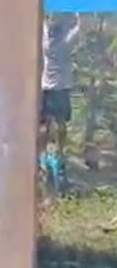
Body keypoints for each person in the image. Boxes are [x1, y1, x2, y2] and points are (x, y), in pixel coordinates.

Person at [39, 14, 79, 183]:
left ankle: (43, 155)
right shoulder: (65, 45)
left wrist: (44, 18)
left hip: (48, 89)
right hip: (62, 90)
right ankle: (60, 153)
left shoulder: (47, 45)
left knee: (46, 124)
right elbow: (78, 30)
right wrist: (77, 15)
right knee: (61, 123)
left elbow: (44, 28)